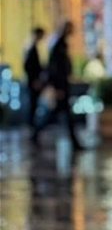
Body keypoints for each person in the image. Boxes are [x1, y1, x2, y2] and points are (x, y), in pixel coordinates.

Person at [31, 21, 83, 149]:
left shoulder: (60, 44)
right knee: (57, 113)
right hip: (61, 86)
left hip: (62, 86)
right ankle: (37, 133)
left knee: (58, 113)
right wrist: (58, 87)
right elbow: (56, 68)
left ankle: (74, 141)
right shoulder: (59, 46)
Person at [24, 27, 46, 132]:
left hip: (33, 81)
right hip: (33, 82)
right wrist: (34, 80)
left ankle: (33, 128)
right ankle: (32, 128)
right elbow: (29, 66)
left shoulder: (33, 48)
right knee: (33, 105)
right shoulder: (31, 48)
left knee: (33, 105)